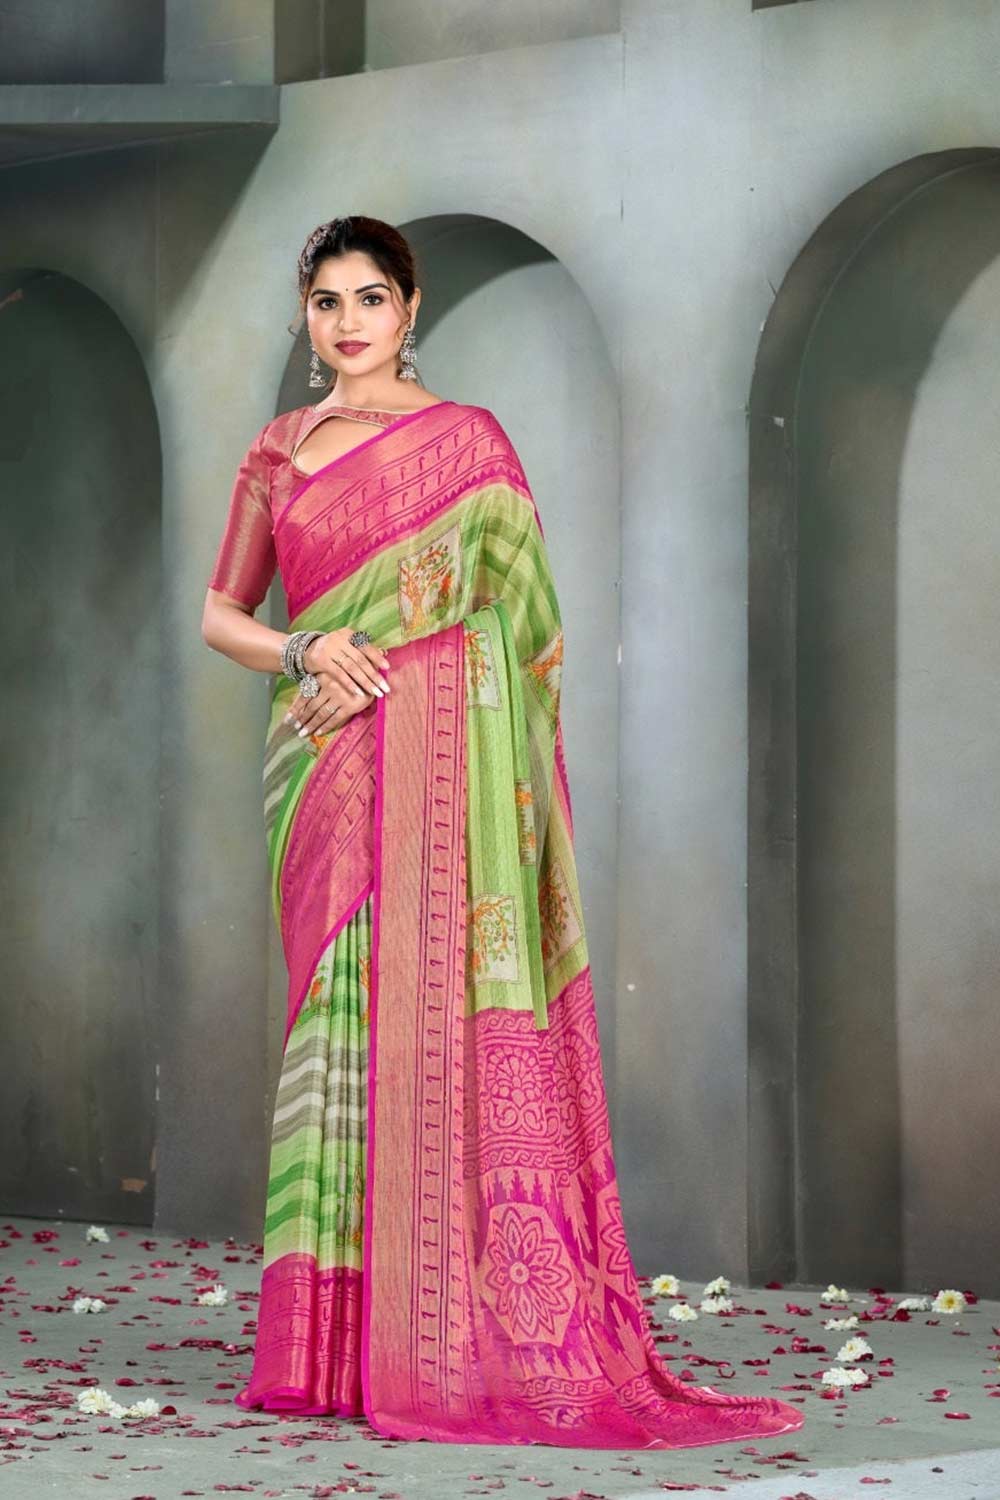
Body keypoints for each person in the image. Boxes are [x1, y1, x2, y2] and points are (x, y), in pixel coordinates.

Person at [202, 215, 805, 1449]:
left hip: (431, 762)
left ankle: (429, 1334)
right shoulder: (277, 450)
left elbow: (523, 637)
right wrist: (308, 649)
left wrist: (394, 670)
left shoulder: (469, 445)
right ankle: (327, 1348)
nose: (350, 322)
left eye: (372, 297)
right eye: (327, 301)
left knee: (425, 1026)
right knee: (338, 1030)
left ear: (410, 307)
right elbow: (223, 614)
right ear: (305, 317)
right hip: (319, 768)